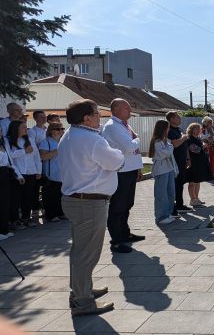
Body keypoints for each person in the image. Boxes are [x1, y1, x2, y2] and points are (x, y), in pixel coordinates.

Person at [59, 99, 124, 316]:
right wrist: (120, 155)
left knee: (80, 251)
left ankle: (81, 290)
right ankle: (82, 301)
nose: (100, 117)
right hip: (89, 203)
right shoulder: (91, 140)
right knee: (86, 254)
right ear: (86, 118)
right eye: (97, 113)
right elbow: (115, 161)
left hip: (77, 200)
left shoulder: (70, 135)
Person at [101, 99, 144, 254]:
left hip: (130, 170)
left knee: (127, 204)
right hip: (120, 172)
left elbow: (133, 151)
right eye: (127, 107)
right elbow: (130, 146)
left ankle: (125, 234)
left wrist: (138, 167)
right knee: (117, 207)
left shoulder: (123, 125)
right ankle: (117, 241)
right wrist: (137, 138)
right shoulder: (112, 126)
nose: (130, 109)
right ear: (117, 108)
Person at [7, 121, 42, 229]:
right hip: (18, 174)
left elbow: (36, 157)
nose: (26, 129)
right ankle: (15, 220)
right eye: (23, 127)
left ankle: (26, 218)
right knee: (17, 198)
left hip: (30, 173)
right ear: (16, 129)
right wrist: (24, 151)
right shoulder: (9, 141)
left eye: (26, 127)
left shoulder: (30, 140)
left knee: (28, 197)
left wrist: (38, 171)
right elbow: (9, 156)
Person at [149, 120, 179, 224]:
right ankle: (161, 217)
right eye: (167, 128)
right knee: (161, 194)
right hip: (161, 171)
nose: (169, 130)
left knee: (171, 193)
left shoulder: (166, 141)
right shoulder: (157, 142)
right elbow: (165, 154)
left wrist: (175, 169)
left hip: (169, 169)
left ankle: (168, 213)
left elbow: (170, 154)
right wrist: (170, 147)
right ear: (163, 129)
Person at [39, 122, 66, 222]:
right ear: (51, 131)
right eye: (58, 129)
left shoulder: (63, 141)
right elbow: (43, 156)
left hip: (62, 173)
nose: (61, 131)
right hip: (51, 174)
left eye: (62, 128)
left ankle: (60, 213)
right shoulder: (46, 142)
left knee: (60, 195)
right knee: (51, 196)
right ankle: (51, 215)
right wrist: (57, 150)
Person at [0, 125, 23, 240]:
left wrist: (18, 175)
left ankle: (4, 230)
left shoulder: (4, 143)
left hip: (5, 173)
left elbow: (10, 160)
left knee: (5, 202)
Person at [166, 111, 190, 216]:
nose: (180, 119)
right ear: (172, 119)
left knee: (180, 183)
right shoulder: (169, 130)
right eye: (178, 117)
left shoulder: (179, 130)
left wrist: (188, 158)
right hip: (174, 162)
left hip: (182, 160)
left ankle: (180, 204)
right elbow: (175, 144)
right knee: (175, 184)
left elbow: (185, 144)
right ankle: (173, 206)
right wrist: (184, 137)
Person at [186, 123, 214, 205]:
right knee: (192, 182)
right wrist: (203, 147)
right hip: (193, 162)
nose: (198, 130)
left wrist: (205, 146)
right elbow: (194, 149)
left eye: (199, 129)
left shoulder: (198, 138)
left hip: (199, 162)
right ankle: (192, 199)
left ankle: (197, 199)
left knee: (198, 182)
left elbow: (202, 149)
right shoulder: (189, 139)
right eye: (196, 129)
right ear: (191, 130)